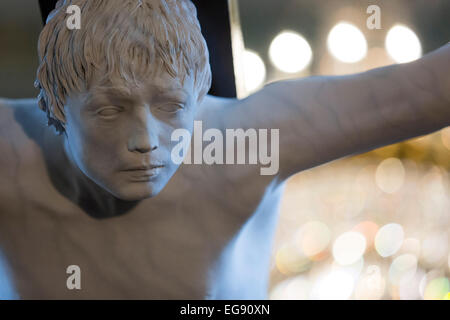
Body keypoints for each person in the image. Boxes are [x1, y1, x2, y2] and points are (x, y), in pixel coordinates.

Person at [0, 0, 448, 299]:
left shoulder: (245, 148)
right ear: (56, 103)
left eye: (171, 105)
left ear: (199, 97)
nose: (146, 140)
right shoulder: (11, 154)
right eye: (109, 110)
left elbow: (428, 90)